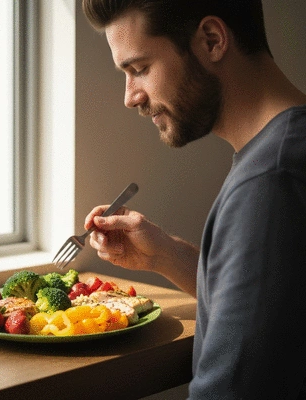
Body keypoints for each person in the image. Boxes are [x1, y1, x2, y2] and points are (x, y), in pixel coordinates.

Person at [81, 0, 306, 398]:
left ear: (212, 40)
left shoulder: (270, 183)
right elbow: (278, 314)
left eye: (139, 69)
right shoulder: (285, 151)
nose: (130, 96)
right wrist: (164, 256)